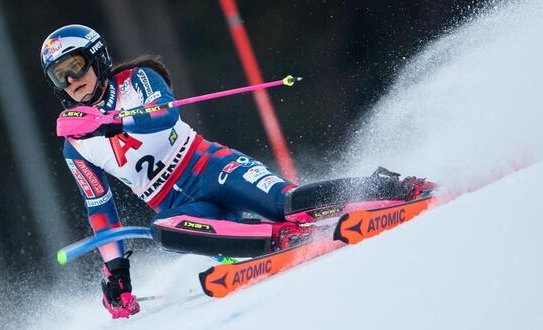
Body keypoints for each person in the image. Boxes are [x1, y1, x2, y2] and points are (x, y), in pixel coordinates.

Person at [40, 24, 432, 319]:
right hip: (182, 205)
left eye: (76, 66)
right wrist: (117, 274)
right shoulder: (75, 145)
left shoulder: (137, 80)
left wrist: (111, 123)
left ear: (98, 58)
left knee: (286, 202)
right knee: (165, 231)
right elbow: (101, 211)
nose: (73, 81)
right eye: (61, 75)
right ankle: (276, 242)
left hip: (212, 167)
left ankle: (387, 186)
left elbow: (164, 114)